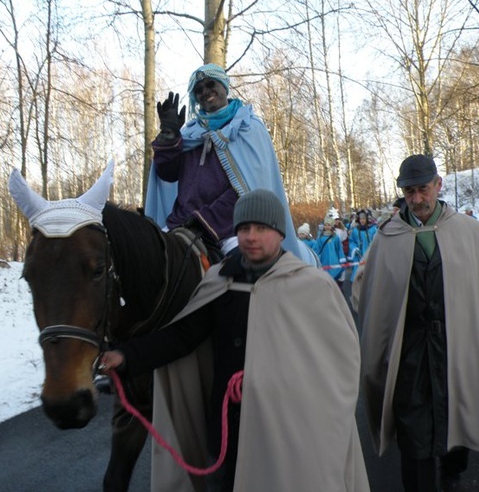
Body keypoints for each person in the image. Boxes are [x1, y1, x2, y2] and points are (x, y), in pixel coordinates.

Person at [100, 189, 370, 492]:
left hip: (286, 430)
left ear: (280, 234)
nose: (250, 236)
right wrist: (126, 356)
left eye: (260, 228)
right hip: (229, 430)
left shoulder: (311, 287)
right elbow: (182, 336)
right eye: (243, 228)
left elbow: (339, 362)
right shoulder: (219, 282)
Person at [352, 154, 479, 492]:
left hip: (457, 348)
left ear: (438, 185)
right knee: (414, 433)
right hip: (409, 355)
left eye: (423, 190)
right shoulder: (388, 238)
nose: (416, 200)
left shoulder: (468, 232)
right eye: (409, 192)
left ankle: (452, 474)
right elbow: (367, 292)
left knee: (455, 419)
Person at [144, 63, 313, 264]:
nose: (205, 92)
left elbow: (249, 190)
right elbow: (168, 174)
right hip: (182, 223)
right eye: (198, 90)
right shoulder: (190, 133)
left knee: (247, 274)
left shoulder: (249, 128)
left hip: (231, 227)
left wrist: (204, 219)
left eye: (210, 84)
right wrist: (170, 135)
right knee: (147, 260)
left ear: (224, 86)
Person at [314, 213, 346, 287]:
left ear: (332, 226)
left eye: (329, 225)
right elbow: (316, 249)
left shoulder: (336, 238)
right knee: (324, 280)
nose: (327, 227)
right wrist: (315, 258)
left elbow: (339, 250)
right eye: (325, 225)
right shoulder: (320, 237)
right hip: (323, 261)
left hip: (334, 261)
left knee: (333, 280)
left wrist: (342, 261)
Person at [348, 209, 377, 282]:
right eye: (360, 219)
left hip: (370, 257)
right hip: (359, 257)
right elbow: (351, 241)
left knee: (370, 277)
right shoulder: (355, 230)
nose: (362, 221)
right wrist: (354, 248)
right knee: (358, 277)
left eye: (363, 218)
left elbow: (377, 241)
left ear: (367, 218)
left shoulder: (373, 229)